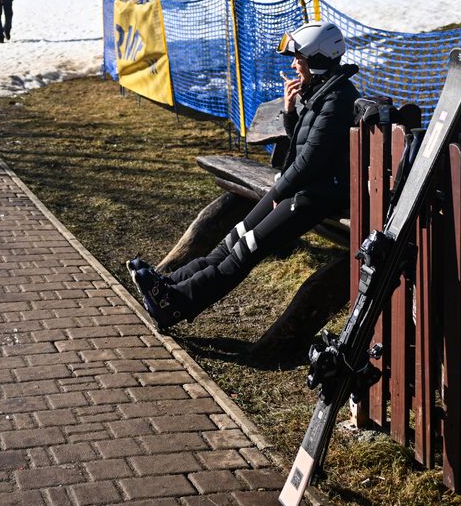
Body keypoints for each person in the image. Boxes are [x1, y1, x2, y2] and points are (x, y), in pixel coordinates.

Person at [128, 22, 359, 331]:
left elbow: (310, 163)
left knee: (247, 249)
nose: (293, 65)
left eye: (299, 59)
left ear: (317, 60)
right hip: (301, 188)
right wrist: (290, 111)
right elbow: (304, 146)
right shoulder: (324, 91)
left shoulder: (337, 99)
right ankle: (168, 285)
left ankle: (177, 304)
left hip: (316, 196)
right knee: (233, 238)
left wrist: (278, 193)